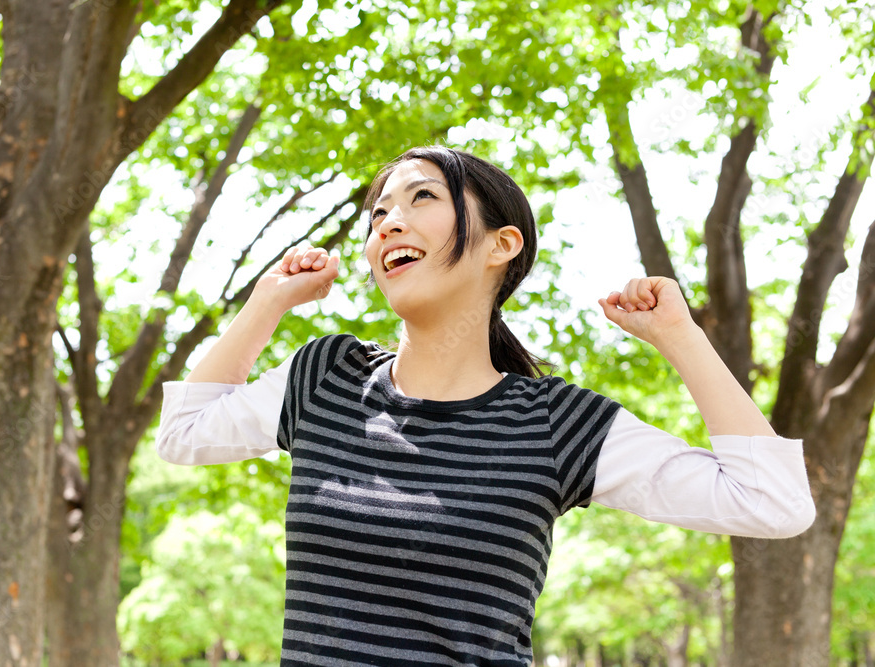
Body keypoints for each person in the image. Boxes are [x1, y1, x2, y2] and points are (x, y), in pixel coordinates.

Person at [155, 146, 815, 666]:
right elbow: (182, 432)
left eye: (421, 198)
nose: (388, 221)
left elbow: (773, 500)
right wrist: (268, 299)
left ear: (502, 244)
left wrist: (681, 337)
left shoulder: (555, 424)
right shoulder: (326, 378)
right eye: (378, 212)